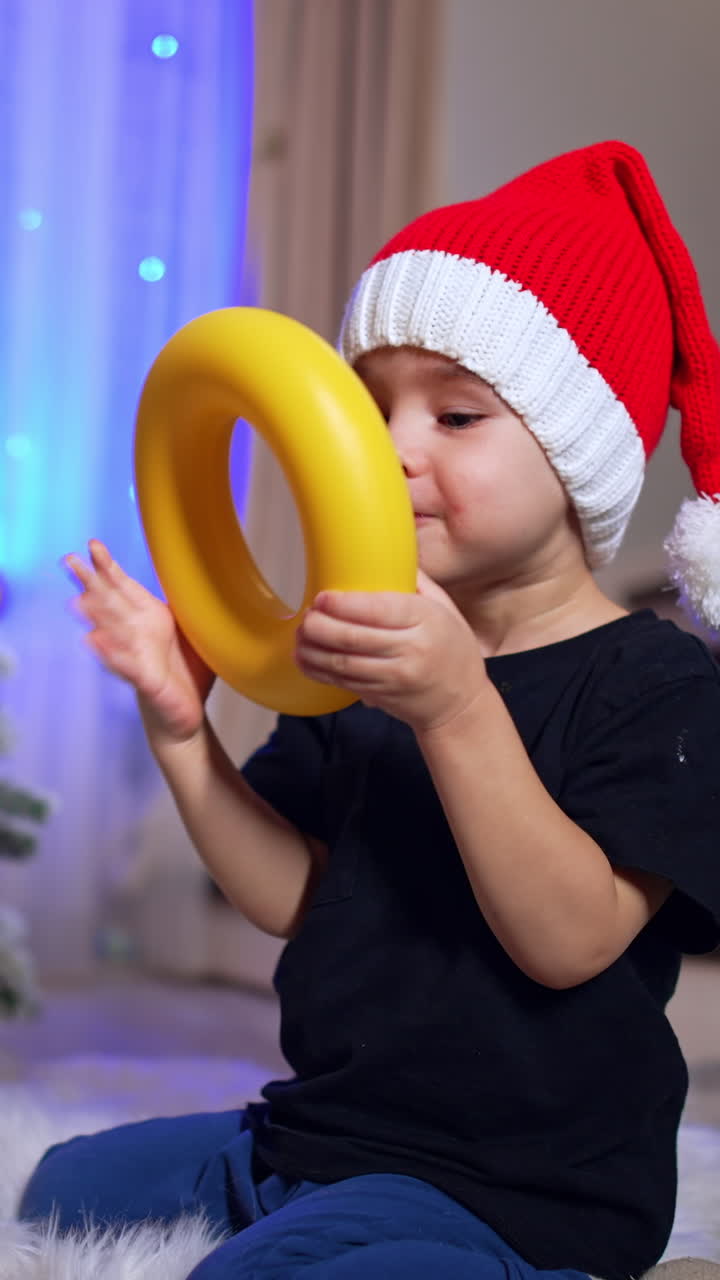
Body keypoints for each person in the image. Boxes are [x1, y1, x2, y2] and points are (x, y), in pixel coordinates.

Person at [20, 140, 720, 1280]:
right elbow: (296, 894)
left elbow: (569, 939)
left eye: (455, 416)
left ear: (577, 451)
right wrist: (182, 730)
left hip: (516, 1185)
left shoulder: (658, 684)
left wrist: (455, 706)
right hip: (324, 1132)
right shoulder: (367, 650)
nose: (391, 450)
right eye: (371, 408)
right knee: (65, 1190)